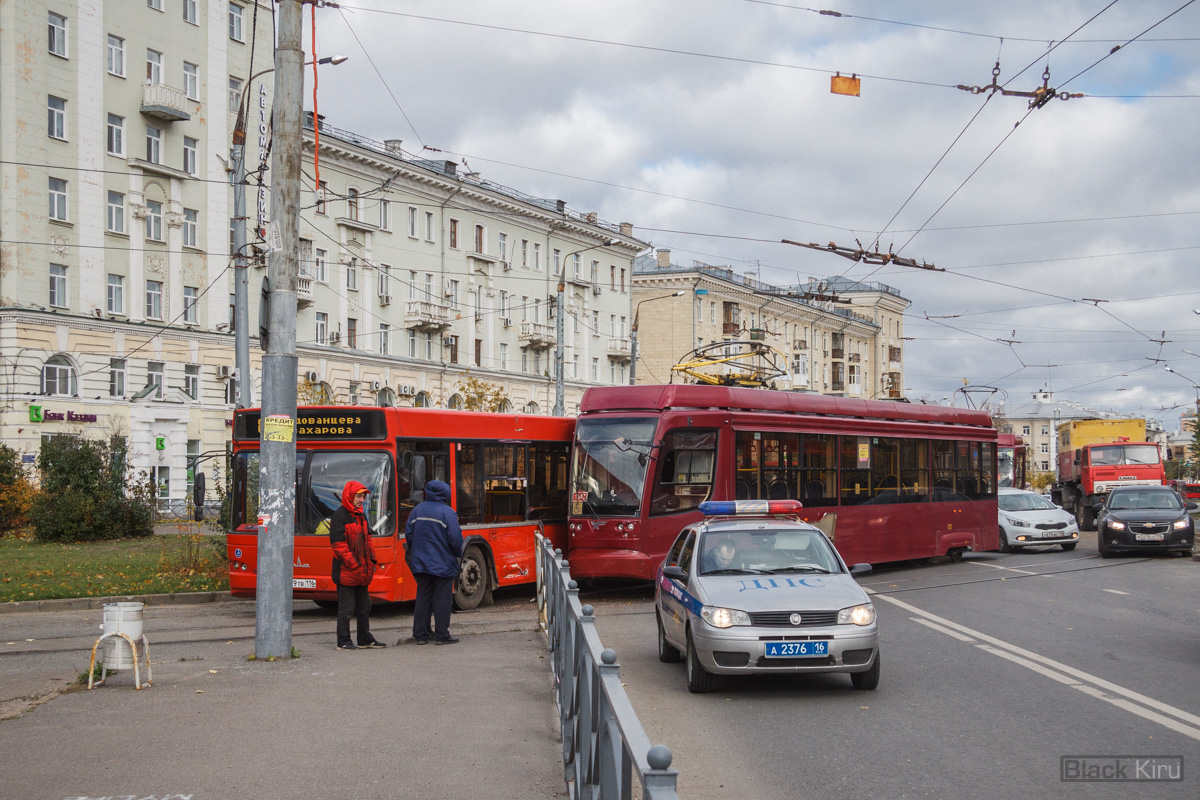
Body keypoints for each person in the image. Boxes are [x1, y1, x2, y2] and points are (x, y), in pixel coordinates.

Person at [405, 479, 464, 645]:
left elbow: (409, 535)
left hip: (420, 563)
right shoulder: (447, 512)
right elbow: (455, 539)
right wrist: (457, 554)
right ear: (445, 494)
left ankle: (421, 635)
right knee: (442, 599)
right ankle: (442, 635)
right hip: (442, 563)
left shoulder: (416, 511)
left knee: (423, 598)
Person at [329, 480, 386, 651]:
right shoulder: (340, 516)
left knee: (364, 607)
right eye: (359, 497)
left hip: (361, 570)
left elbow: (367, 539)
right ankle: (343, 641)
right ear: (350, 496)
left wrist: (372, 560)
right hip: (348, 571)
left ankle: (364, 639)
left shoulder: (361, 515)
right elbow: (339, 546)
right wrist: (355, 564)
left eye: (363, 497)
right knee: (346, 609)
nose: (362, 500)